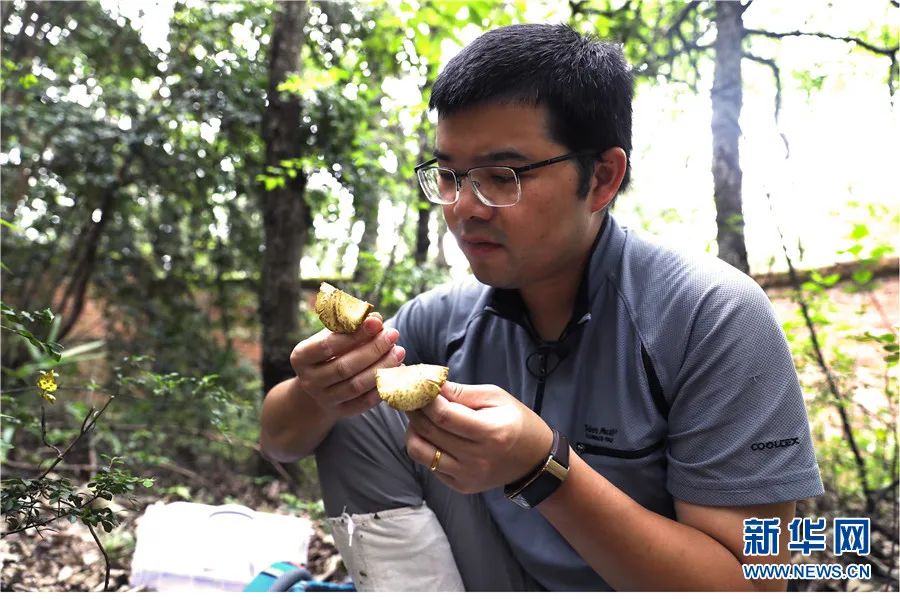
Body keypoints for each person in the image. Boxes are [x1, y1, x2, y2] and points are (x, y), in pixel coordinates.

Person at [260, 23, 824, 591]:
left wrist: (543, 469)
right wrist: (320, 389)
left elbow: (752, 584)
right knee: (362, 398)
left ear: (602, 178)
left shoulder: (710, 315)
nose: (464, 208)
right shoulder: (445, 317)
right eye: (451, 176)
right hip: (498, 575)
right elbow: (281, 440)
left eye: (502, 176)